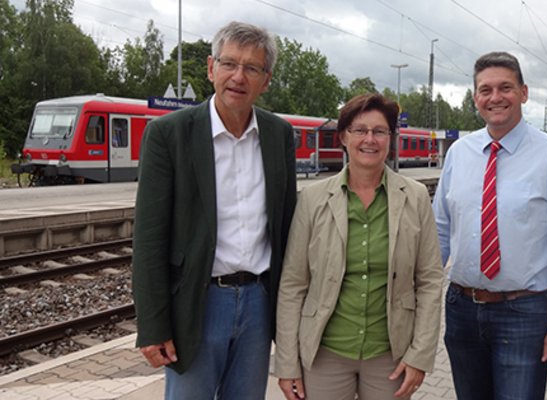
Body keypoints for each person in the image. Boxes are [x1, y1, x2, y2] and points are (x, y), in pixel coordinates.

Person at [132, 21, 297, 400]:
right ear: (211, 69)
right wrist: (153, 326)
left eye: (252, 68)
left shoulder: (277, 135)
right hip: (197, 303)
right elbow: (150, 238)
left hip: (258, 303)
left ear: (266, 80)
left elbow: (286, 226)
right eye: (229, 64)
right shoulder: (169, 135)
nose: (238, 76)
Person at [433, 51, 547, 400]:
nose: (495, 97)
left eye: (505, 87)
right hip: (461, 308)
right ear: (475, 98)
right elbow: (440, 231)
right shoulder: (459, 153)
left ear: (524, 92)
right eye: (485, 90)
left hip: (524, 313)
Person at [274, 93, 444, 400]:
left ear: (390, 139)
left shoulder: (416, 197)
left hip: (390, 354)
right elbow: (293, 284)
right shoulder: (313, 199)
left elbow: (431, 281)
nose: (370, 139)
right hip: (325, 353)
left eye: (380, 131)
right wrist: (287, 364)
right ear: (343, 137)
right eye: (359, 130)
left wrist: (420, 355)